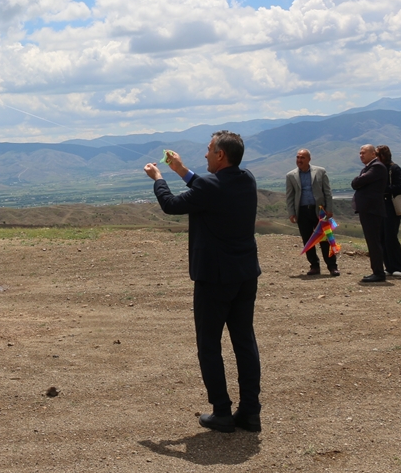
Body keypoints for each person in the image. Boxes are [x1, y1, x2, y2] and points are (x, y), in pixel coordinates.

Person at [144, 134, 262, 434]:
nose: (206, 155)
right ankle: (250, 412)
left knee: (209, 345)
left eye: (209, 151)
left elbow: (171, 205)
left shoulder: (210, 187)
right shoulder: (246, 179)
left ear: (221, 155)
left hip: (214, 279)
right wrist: (181, 169)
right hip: (245, 274)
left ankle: (221, 411)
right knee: (244, 342)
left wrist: (158, 178)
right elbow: (206, 188)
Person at [284, 149, 337, 276]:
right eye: (297, 157)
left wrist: (329, 209)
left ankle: (332, 266)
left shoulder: (320, 171)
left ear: (309, 159)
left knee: (326, 239)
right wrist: (292, 212)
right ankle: (314, 266)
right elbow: (290, 196)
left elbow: (327, 192)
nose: (299, 160)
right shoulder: (291, 175)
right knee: (307, 240)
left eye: (302, 157)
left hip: (320, 211)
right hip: (302, 211)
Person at [351, 144, 389, 283]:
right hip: (369, 210)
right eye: (360, 153)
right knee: (372, 241)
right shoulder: (369, 167)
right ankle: (377, 271)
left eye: (364, 153)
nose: (361, 155)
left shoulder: (377, 167)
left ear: (373, 154)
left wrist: (358, 181)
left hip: (372, 210)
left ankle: (378, 273)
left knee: (374, 242)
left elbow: (357, 182)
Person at [376, 145, 401, 278]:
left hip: (392, 206)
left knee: (391, 236)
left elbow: (400, 186)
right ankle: (389, 266)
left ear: (383, 155)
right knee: (382, 237)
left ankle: (399, 267)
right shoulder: (379, 169)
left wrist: (384, 189)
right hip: (381, 206)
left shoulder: (394, 168)